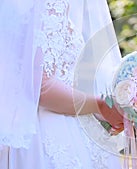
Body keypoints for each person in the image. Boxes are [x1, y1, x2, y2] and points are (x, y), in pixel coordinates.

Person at [0, 0, 124, 168]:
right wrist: (100, 105)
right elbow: (42, 87)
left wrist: (95, 110)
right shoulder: (49, 4)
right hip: (47, 132)